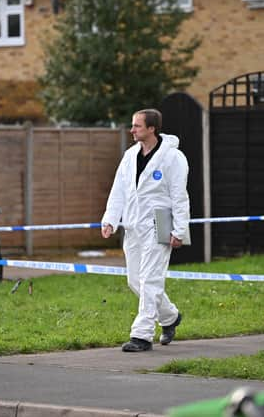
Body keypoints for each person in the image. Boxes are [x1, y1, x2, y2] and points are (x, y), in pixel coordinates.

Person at [101, 108, 190, 352]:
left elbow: (180, 197)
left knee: (151, 278)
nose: (132, 130)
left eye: (137, 126)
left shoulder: (173, 158)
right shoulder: (130, 155)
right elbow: (118, 189)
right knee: (135, 281)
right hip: (133, 224)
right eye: (133, 125)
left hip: (160, 222)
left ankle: (141, 335)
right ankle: (170, 317)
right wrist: (110, 219)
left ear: (152, 128)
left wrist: (179, 230)